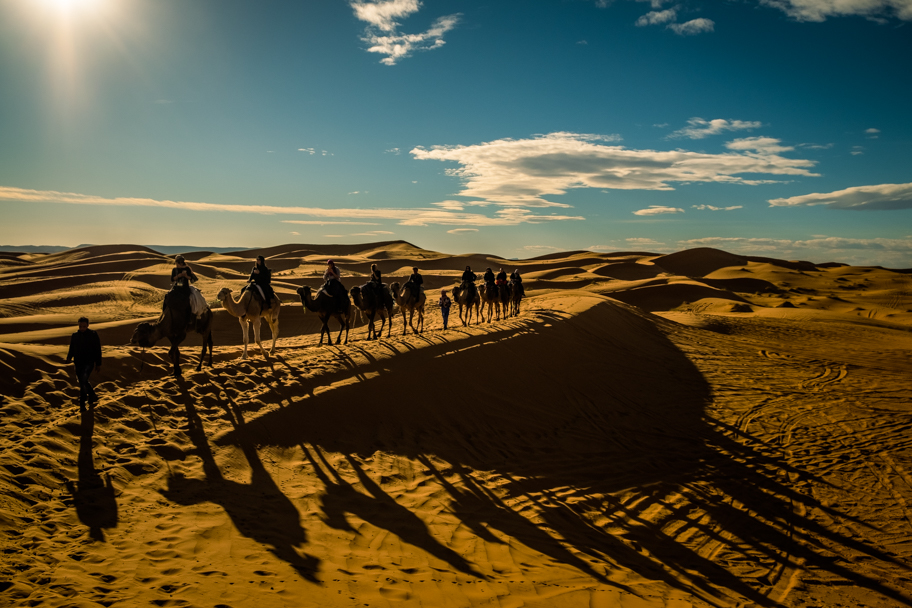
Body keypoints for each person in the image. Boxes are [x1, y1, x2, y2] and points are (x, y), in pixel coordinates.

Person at [65, 317, 102, 411]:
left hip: (89, 363)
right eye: (80, 326)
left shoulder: (93, 335)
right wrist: (69, 357)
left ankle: (82, 403)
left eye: (84, 326)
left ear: (88, 325)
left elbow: (98, 350)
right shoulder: (75, 335)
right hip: (78, 362)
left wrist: (98, 364)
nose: (82, 328)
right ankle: (92, 395)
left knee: (82, 381)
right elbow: (72, 348)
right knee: (82, 380)